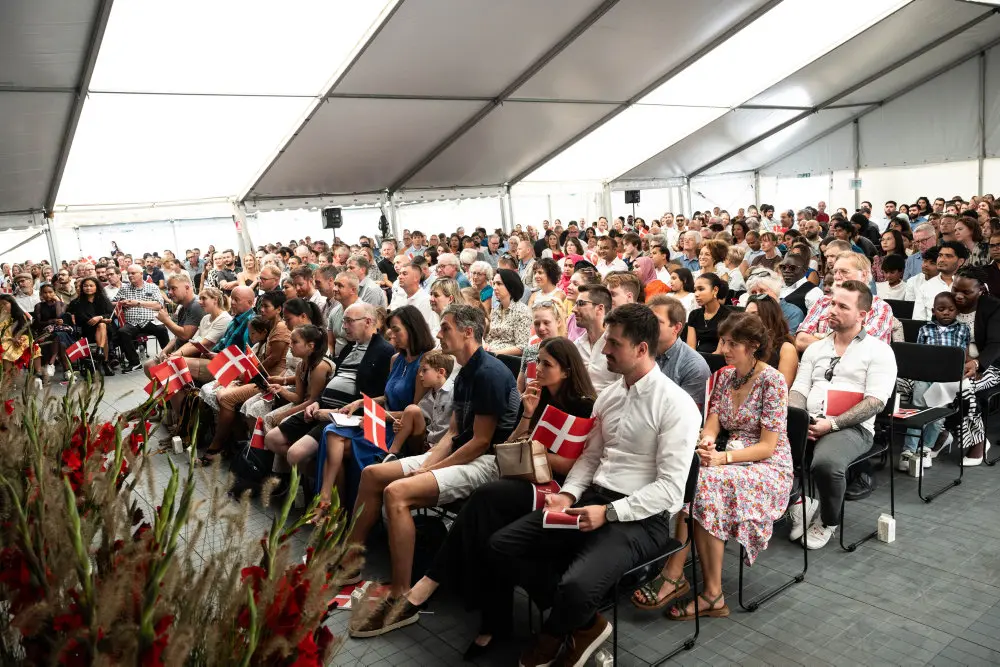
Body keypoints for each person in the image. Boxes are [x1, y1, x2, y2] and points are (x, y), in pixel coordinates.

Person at [489, 304, 699, 667]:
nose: (605, 351)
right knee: (501, 546)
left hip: (640, 519)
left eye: (614, 344)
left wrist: (610, 512)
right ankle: (585, 624)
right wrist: (567, 494)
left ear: (641, 349)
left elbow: (670, 490)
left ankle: (554, 633)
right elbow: (590, 458)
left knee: (575, 585)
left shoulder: (676, 405)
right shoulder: (610, 396)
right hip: (593, 500)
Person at [387, 338, 597, 654]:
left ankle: (434, 583)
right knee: (488, 526)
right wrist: (527, 416)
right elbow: (510, 445)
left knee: (485, 498)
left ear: (567, 370)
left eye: (547, 364)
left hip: (558, 487)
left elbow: (569, 465)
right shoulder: (538, 397)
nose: (538, 369)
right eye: (537, 362)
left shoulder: (582, 405)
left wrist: (533, 451)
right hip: (524, 476)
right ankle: (490, 621)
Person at [344, 305, 521, 636]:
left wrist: (430, 470)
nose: (438, 334)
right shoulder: (465, 372)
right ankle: (350, 562)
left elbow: (481, 442)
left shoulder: (489, 373)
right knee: (373, 475)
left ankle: (401, 596)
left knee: (396, 493)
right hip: (461, 453)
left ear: (468, 332)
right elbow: (453, 433)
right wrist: (426, 465)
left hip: (489, 462)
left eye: (445, 328)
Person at [634, 312, 792, 617]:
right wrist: (707, 440)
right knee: (694, 477)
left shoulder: (773, 381)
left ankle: (685, 578)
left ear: (753, 346)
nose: (723, 349)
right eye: (723, 341)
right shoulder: (726, 376)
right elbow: (713, 423)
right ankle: (701, 587)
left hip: (769, 467)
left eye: (732, 344)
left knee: (703, 485)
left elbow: (768, 446)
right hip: (730, 457)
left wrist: (722, 457)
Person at [788, 281, 896, 549]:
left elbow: (875, 402)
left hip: (852, 427)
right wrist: (800, 421)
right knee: (762, 447)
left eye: (842, 306)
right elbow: (799, 389)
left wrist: (832, 424)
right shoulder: (816, 348)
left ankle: (828, 520)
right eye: (832, 303)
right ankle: (799, 502)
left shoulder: (879, 351)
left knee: (826, 464)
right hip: (811, 420)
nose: (832, 310)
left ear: (862, 315)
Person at [312, 305, 436, 515]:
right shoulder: (396, 359)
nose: (391, 335)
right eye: (391, 329)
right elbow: (388, 396)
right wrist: (361, 403)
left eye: (396, 330)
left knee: (335, 442)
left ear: (412, 328)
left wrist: (375, 416)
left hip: (399, 431)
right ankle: (331, 503)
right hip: (382, 421)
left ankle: (335, 507)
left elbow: (414, 413)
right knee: (332, 433)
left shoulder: (424, 363)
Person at [262, 302, 394, 473]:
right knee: (272, 439)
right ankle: (318, 471)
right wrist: (316, 402)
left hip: (344, 415)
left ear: (368, 322)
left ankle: (321, 478)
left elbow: (375, 398)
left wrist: (335, 412)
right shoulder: (349, 347)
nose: (344, 326)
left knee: (295, 454)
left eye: (349, 321)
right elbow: (335, 381)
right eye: (343, 321)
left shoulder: (384, 351)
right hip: (322, 407)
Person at [899, 292, 971, 471]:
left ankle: (926, 448)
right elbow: (919, 354)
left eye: (951, 309)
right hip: (924, 375)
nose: (946, 312)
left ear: (957, 311)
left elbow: (964, 354)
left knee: (938, 414)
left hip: (947, 379)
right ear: (933, 311)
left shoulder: (963, 329)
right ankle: (908, 450)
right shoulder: (925, 329)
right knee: (917, 409)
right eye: (941, 309)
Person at [795, 253, 893, 351]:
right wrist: (839, 342)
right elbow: (800, 341)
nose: (837, 277)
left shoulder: (879, 307)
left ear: (863, 275)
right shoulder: (823, 301)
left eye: (844, 272)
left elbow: (862, 348)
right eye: (835, 272)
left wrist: (821, 336)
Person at [648, 294, 711, 411]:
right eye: (647, 320)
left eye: (656, 321)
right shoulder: (639, 352)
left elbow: (688, 414)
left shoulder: (694, 366)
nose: (647, 325)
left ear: (676, 328)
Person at [387, 350, 455, 457]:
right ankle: (392, 454)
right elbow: (415, 418)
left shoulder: (454, 392)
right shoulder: (428, 396)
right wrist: (400, 424)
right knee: (411, 409)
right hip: (427, 443)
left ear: (441, 372)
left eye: (424, 370)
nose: (420, 374)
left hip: (444, 446)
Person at [113, 265, 169, 372]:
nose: (130, 275)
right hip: (132, 322)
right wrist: (121, 303)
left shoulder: (152, 287)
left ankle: (169, 356)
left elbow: (159, 305)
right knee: (122, 332)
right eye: (129, 273)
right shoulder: (124, 288)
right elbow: (113, 302)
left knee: (161, 329)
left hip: (150, 320)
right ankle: (134, 362)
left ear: (141, 274)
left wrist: (137, 303)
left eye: (133, 273)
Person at [572, 284, 620, 392]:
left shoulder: (617, 346)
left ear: (600, 308)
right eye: (575, 304)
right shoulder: (576, 345)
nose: (573, 309)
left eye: (580, 304)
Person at [66, 277, 117, 376]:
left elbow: (111, 314)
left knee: (102, 327)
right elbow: (81, 318)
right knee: (103, 330)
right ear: (82, 288)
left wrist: (100, 318)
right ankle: (105, 361)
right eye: (85, 286)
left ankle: (100, 351)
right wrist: (101, 320)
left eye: (91, 286)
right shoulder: (77, 302)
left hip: (105, 329)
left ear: (96, 287)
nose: (88, 288)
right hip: (87, 329)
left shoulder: (103, 300)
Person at [745, 295, 798, 388]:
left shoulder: (786, 349)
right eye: (745, 315)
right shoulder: (743, 343)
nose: (747, 319)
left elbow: (781, 390)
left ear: (769, 317)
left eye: (755, 315)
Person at [31, 284, 77, 379]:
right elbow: (38, 323)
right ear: (41, 294)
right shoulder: (39, 306)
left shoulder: (62, 305)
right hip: (46, 333)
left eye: (50, 292)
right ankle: (67, 371)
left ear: (55, 293)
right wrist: (52, 321)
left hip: (63, 332)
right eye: (45, 292)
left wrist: (57, 302)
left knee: (59, 335)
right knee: (60, 339)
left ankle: (51, 362)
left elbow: (59, 315)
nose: (48, 295)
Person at [913, 241, 967, 321]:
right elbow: (918, 319)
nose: (941, 260)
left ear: (960, 261)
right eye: (940, 255)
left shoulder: (969, 286)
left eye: (948, 256)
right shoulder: (925, 287)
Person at [484, 268, 531, 355]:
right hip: (490, 354)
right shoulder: (496, 310)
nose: (494, 287)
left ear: (510, 286)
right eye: (494, 284)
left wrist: (494, 353)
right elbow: (489, 338)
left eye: (499, 284)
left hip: (507, 358)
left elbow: (522, 347)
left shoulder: (522, 311)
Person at [390, 262, 439, 337]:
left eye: (404, 274)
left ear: (416, 278)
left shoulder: (426, 300)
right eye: (399, 274)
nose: (400, 277)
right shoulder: (401, 297)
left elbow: (427, 330)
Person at [686, 273, 731, 354]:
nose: (696, 294)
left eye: (701, 289)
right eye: (695, 290)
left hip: (718, 358)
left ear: (715, 290)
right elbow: (691, 348)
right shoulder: (694, 314)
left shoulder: (728, 315)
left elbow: (719, 352)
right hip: (697, 357)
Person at [0, 296, 39, 375]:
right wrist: (10, 339)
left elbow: (24, 330)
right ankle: (7, 376)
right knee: (6, 350)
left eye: (5, 304)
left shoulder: (19, 315)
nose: (2, 306)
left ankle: (38, 373)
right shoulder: (1, 316)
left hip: (17, 338)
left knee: (34, 348)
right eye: (0, 305)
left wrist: (18, 339)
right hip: (4, 339)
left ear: (12, 304)